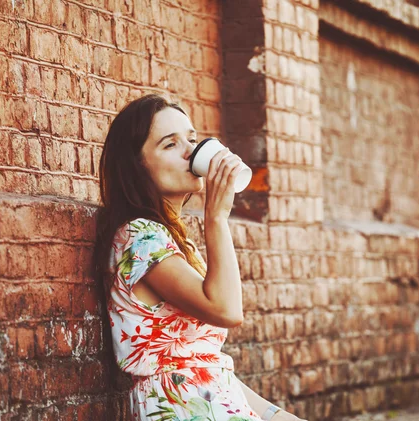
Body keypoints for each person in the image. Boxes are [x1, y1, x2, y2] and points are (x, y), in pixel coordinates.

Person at [94, 94, 307, 421]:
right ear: (137, 166)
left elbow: (208, 365)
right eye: (170, 144)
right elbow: (226, 309)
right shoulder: (139, 237)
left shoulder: (176, 244)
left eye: (192, 139)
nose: (190, 152)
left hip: (214, 404)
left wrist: (276, 415)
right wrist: (216, 219)